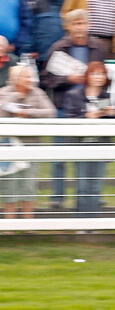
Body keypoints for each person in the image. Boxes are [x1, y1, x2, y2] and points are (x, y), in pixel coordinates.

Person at [0, 65, 56, 220]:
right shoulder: (4, 92)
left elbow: (50, 112)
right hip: (8, 146)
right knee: (9, 185)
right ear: (16, 78)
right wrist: (15, 96)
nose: (30, 80)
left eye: (30, 76)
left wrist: (26, 113)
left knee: (29, 184)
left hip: (32, 145)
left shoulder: (37, 93)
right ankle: (9, 225)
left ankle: (28, 225)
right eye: (26, 76)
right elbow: (1, 111)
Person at [61, 61, 115, 217]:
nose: (98, 77)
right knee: (82, 185)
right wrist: (86, 117)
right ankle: (81, 220)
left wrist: (112, 115)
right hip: (80, 146)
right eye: (94, 73)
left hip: (100, 146)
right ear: (87, 76)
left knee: (96, 186)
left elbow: (111, 125)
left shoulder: (106, 96)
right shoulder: (74, 95)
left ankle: (94, 221)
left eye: (101, 74)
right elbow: (68, 118)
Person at [31, 0, 67, 68]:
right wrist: (32, 49)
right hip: (43, 53)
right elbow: (31, 27)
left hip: (63, 53)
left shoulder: (67, 3)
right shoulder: (38, 3)